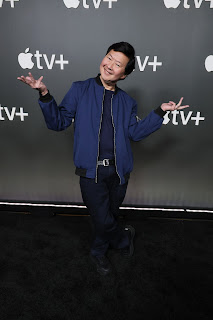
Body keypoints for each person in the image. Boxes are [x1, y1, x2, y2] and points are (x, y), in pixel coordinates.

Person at [17, 42, 189, 276]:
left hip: (119, 173)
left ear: (124, 74)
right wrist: (45, 95)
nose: (110, 65)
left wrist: (159, 112)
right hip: (91, 172)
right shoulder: (80, 89)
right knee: (102, 218)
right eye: (109, 58)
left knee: (108, 217)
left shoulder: (127, 102)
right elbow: (58, 122)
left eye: (118, 64)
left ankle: (99, 249)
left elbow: (135, 134)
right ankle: (122, 239)